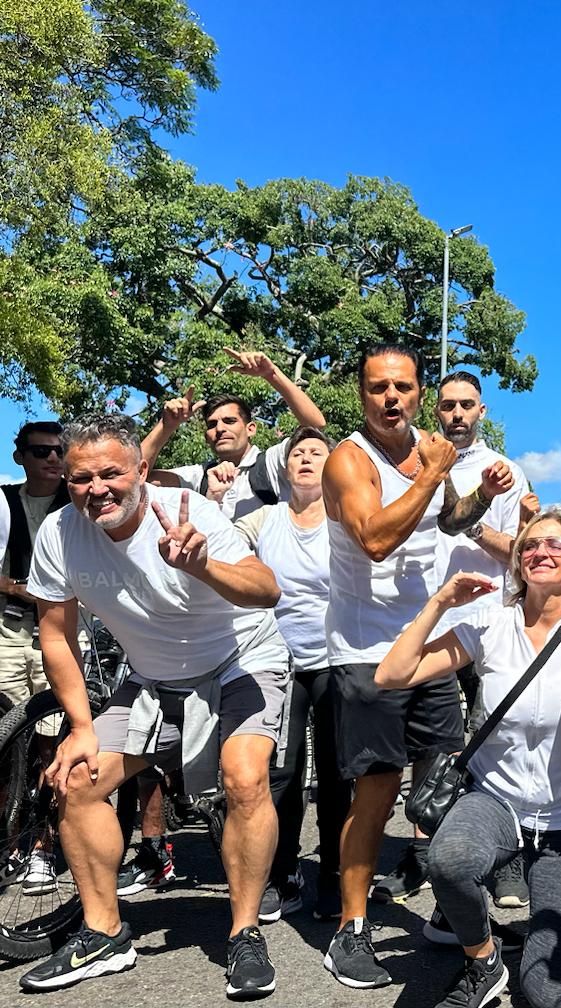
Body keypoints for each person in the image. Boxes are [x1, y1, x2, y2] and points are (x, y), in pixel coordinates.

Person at [20, 412, 289, 999]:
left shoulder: (193, 513)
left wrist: (202, 566)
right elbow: (56, 635)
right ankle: (104, 935)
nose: (96, 489)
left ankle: (244, 933)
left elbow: (267, 589)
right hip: (152, 679)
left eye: (111, 474)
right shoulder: (60, 533)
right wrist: (82, 726)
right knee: (77, 780)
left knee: (244, 779)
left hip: (239, 661)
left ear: (141, 470)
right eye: (80, 478)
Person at [376, 508, 561, 1008]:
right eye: (529, 545)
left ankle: (527, 951)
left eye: (554, 545)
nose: (539, 552)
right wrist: (440, 603)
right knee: (449, 861)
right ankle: (483, 961)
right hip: (496, 800)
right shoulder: (490, 625)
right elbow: (391, 675)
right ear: (519, 562)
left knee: (547, 994)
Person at [321, 343, 514, 989]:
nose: (391, 398)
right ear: (362, 394)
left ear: (418, 392)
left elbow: (451, 520)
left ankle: (450, 914)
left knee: (443, 783)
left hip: (425, 641)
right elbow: (375, 539)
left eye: (402, 386)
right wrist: (433, 473)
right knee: (377, 791)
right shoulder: (349, 458)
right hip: (365, 650)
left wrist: (480, 493)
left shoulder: (431, 450)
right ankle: (351, 929)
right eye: (378, 387)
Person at [391, 369, 529, 911]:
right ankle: (423, 852)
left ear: (482, 411)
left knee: (497, 736)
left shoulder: (505, 470)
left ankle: (507, 855)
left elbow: (521, 551)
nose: (457, 414)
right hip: (427, 618)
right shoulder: (413, 461)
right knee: (428, 745)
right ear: (435, 410)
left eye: (467, 405)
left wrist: (469, 520)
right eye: (448, 405)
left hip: (490, 619)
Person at [234, 425, 349, 923]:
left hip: (334, 660)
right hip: (278, 662)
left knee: (335, 773)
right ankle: (283, 874)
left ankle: (334, 874)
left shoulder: (344, 520)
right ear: (285, 467)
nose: (305, 458)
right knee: (280, 774)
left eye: (316, 452)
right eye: (297, 452)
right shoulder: (264, 518)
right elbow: (222, 545)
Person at [0, 421, 70, 894]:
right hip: (8, 630)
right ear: (20, 455)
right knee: (6, 745)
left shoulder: (78, 500)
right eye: (42, 451)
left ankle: (43, 848)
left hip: (60, 631)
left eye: (60, 451)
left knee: (51, 744)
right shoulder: (4, 501)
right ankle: (9, 845)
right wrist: (15, 587)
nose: (53, 459)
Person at [143, 347, 327, 521]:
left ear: (251, 429)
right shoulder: (200, 477)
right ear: (206, 437)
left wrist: (271, 375)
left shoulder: (273, 462)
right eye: (212, 424)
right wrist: (165, 426)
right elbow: (137, 477)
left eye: (230, 421)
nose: (220, 429)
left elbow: (315, 428)